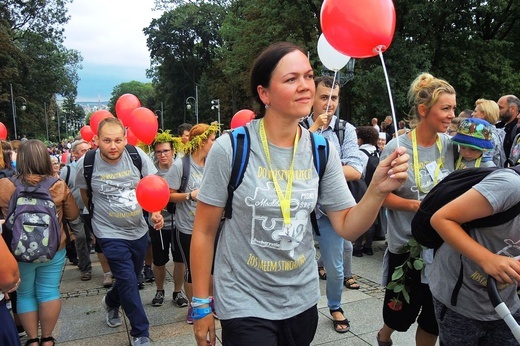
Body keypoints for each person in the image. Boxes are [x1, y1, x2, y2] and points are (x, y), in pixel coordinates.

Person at [189, 41, 409, 346]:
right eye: (291, 79)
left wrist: (377, 190)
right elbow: (203, 230)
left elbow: (346, 224)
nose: (305, 86)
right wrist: (201, 304)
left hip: (301, 300)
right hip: (244, 299)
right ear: (264, 93)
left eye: (308, 76)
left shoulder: (321, 149)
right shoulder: (232, 148)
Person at [377, 72, 457, 346]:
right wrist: (417, 206)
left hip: (442, 247)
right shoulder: (396, 148)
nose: (451, 115)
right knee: (400, 314)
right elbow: (380, 197)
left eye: (453, 108)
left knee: (433, 317)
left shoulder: (452, 147)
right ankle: (384, 334)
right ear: (424, 110)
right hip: (406, 247)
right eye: (445, 108)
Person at [75, 117, 163, 346]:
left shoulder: (136, 156)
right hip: (108, 231)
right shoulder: (87, 162)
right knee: (127, 280)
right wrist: (97, 220)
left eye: (117, 140)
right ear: (96, 140)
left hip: (137, 230)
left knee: (130, 279)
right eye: (106, 140)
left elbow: (152, 186)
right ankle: (140, 333)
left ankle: (111, 301)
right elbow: (86, 195)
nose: (113, 146)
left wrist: (154, 211)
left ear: (125, 139)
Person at [0, 139, 80, 346]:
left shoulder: (7, 186)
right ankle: (47, 338)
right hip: (54, 248)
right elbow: (72, 215)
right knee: (49, 290)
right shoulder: (58, 185)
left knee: (25, 293)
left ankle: (32, 340)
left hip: (19, 250)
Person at [429, 166, 520, 344]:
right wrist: (488, 259)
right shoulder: (510, 186)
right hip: (460, 297)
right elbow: (441, 219)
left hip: (507, 302)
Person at [301, 75, 364, 330]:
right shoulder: (298, 125)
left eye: (334, 98)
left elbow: (356, 170)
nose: (329, 104)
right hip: (300, 209)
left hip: (330, 211)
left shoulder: (345, 130)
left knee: (335, 267)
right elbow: (289, 161)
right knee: (297, 263)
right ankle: (301, 307)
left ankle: (335, 306)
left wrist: (321, 169)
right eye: (324, 97)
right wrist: (314, 128)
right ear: (313, 98)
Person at [165, 122, 219, 324]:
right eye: (212, 140)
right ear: (201, 142)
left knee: (212, 268)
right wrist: (189, 195)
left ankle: (210, 302)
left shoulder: (213, 162)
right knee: (192, 270)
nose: (215, 143)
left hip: (212, 226)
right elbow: (168, 195)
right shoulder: (181, 165)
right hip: (188, 228)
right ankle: (193, 307)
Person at [146, 132, 189, 308]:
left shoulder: (181, 169)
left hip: (179, 223)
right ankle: (159, 290)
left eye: (165, 151)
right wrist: (153, 214)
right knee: (159, 260)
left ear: (173, 151)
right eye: (158, 152)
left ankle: (177, 292)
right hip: (158, 223)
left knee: (179, 260)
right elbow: (146, 197)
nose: (162, 155)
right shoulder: (151, 173)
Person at [59, 140, 94, 282]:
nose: (87, 153)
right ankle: (85, 268)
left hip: (91, 210)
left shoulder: (93, 166)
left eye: (89, 149)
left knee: (91, 238)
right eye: (83, 151)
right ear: (74, 154)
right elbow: (60, 191)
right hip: (75, 212)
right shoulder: (66, 171)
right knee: (80, 238)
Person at [353, 126, 380, 257]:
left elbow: (358, 172)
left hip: (362, 188)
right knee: (372, 218)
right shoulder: (378, 152)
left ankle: (357, 248)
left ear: (361, 139)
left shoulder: (360, 153)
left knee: (360, 217)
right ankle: (368, 247)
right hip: (375, 188)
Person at [472, 98, 506, 167]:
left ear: (483, 114)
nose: (472, 114)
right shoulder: (498, 133)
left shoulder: (486, 135)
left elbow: (484, 162)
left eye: (475, 111)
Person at [496, 95, 520, 165]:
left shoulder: (517, 130)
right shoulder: (497, 126)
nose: (497, 110)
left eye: (500, 107)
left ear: (512, 109)